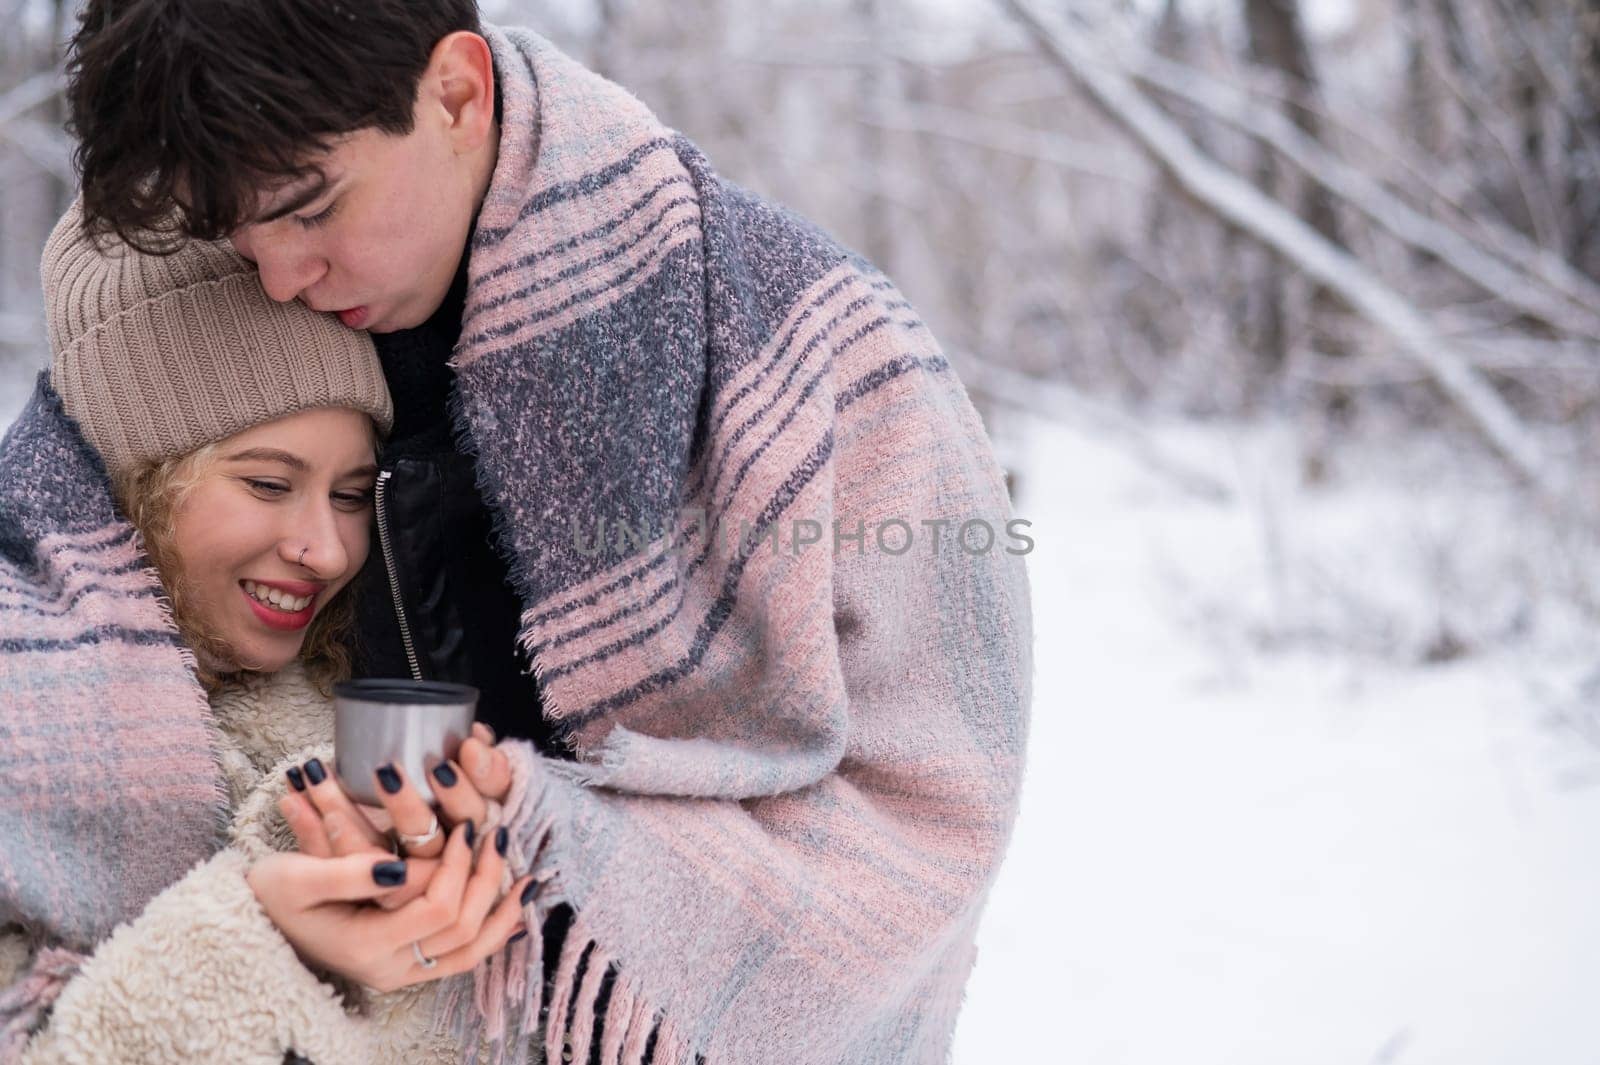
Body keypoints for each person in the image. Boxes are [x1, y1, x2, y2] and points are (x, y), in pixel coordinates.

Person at [59, 2, 1035, 1062]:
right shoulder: (201, 303)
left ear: (456, 95)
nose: (283, 275)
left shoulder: (824, 359)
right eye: (239, 232)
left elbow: (931, 823)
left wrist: (550, 839)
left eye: (309, 208)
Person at [0, 207, 533, 1063]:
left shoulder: (359, 697)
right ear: (139, 477)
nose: (325, 549)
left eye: (353, 495)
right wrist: (264, 942)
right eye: (267, 482)